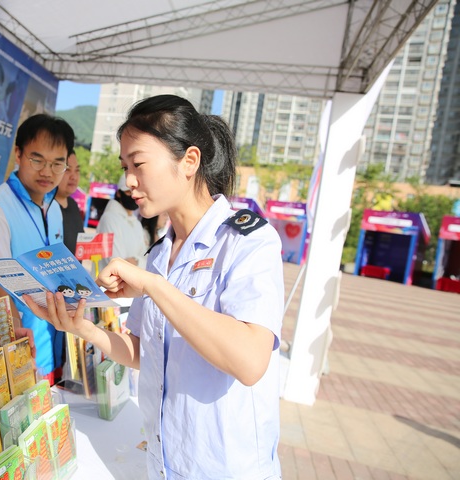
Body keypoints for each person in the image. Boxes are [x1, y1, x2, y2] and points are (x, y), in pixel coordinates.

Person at [26, 94, 284, 479]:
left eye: (140, 164)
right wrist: (82, 328)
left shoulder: (246, 242)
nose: (129, 180)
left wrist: (153, 286)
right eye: (125, 166)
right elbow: (146, 355)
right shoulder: (161, 252)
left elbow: (249, 361)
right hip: (164, 466)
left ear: (189, 161)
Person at [0, 113, 74, 385]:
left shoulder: (54, 209)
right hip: (16, 349)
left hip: (51, 340)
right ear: (18, 154)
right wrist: (19, 357)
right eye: (37, 159)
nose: (47, 172)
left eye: (57, 164)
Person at [95, 172, 148, 270]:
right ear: (119, 193)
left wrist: (135, 261)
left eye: (136, 191)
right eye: (128, 191)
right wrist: (138, 262)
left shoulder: (136, 223)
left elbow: (146, 259)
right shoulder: (109, 219)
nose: (133, 195)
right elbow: (116, 264)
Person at [56, 150, 85, 255]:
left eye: (77, 171)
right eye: (67, 170)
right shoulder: (45, 207)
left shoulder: (73, 205)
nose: (74, 177)